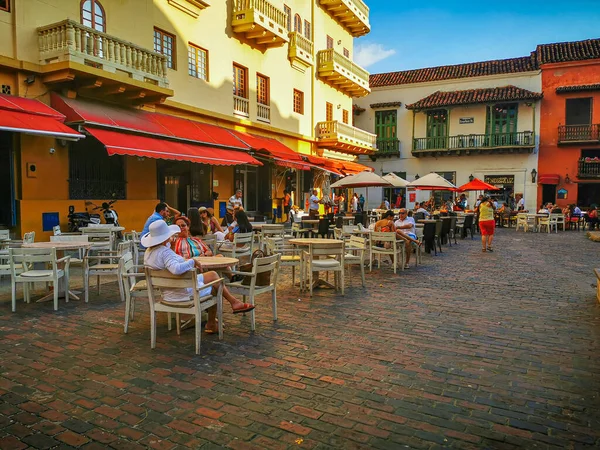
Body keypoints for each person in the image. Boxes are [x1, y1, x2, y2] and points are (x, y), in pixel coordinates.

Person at [142, 220, 255, 334]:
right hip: (182, 294)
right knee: (216, 286)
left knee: (213, 275)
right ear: (165, 237)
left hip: (169, 292)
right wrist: (192, 261)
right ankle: (212, 323)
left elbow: (172, 264)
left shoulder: (149, 252)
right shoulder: (165, 253)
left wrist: (182, 257)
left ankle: (234, 303)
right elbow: (176, 269)